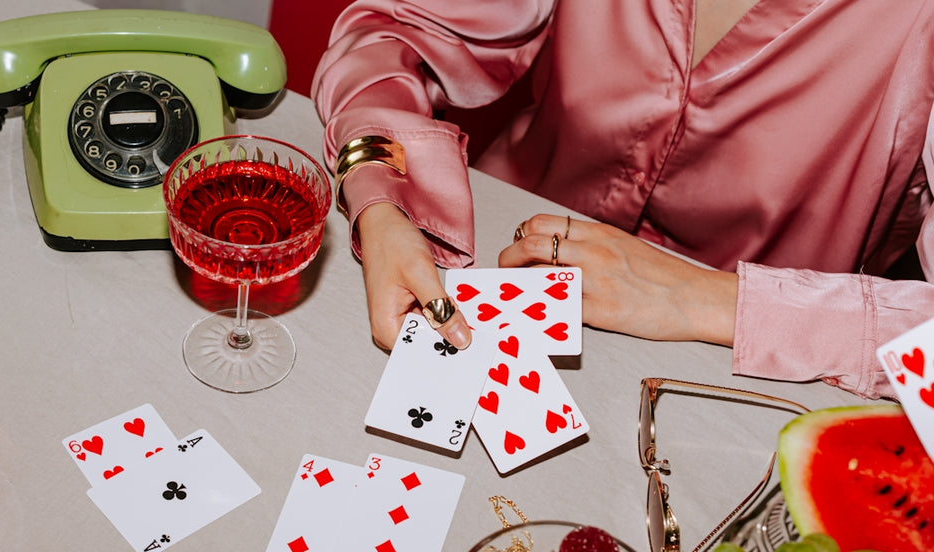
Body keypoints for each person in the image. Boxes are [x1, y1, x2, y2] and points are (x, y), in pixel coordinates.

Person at [311, 0, 934, 400]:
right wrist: (381, 193)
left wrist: (697, 296)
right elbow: (394, 29)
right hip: (488, 252)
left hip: (743, 376)